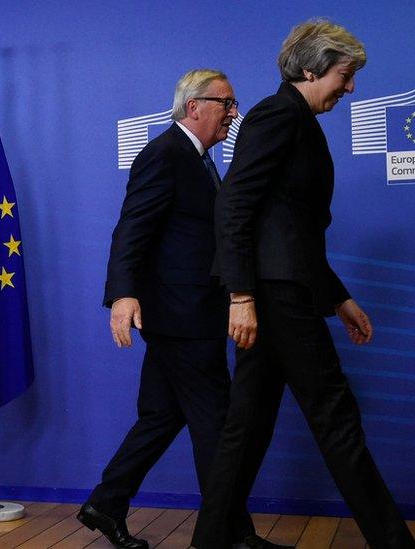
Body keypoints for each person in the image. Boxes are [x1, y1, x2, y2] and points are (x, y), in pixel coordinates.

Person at [190, 20, 415, 549]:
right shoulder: (277, 115)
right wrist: (241, 297)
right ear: (311, 69)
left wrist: (339, 297)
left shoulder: (295, 120)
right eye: (345, 75)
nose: (351, 87)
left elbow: (288, 227)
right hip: (274, 297)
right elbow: (235, 206)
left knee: (244, 431)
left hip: (281, 291)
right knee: (336, 417)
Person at [77, 70, 286, 549]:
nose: (235, 113)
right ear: (195, 107)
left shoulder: (200, 159)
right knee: (217, 422)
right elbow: (130, 229)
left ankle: (106, 504)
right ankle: (232, 534)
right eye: (226, 103)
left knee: (161, 415)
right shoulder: (164, 154)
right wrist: (123, 294)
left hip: (187, 314)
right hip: (182, 317)